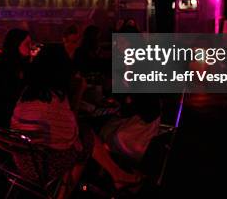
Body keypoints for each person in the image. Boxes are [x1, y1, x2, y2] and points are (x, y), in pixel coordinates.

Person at [11, 45, 140, 196]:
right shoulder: (54, 97)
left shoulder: (28, 92)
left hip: (22, 160)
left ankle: (117, 175)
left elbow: (64, 125)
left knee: (84, 133)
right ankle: (64, 193)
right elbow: (71, 136)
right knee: (85, 141)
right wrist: (79, 91)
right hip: (41, 166)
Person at [0, 28, 32, 127]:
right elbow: (8, 96)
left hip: (4, 115)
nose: (30, 47)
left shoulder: (20, 64)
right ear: (16, 44)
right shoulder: (1, 65)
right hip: (0, 119)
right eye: (27, 44)